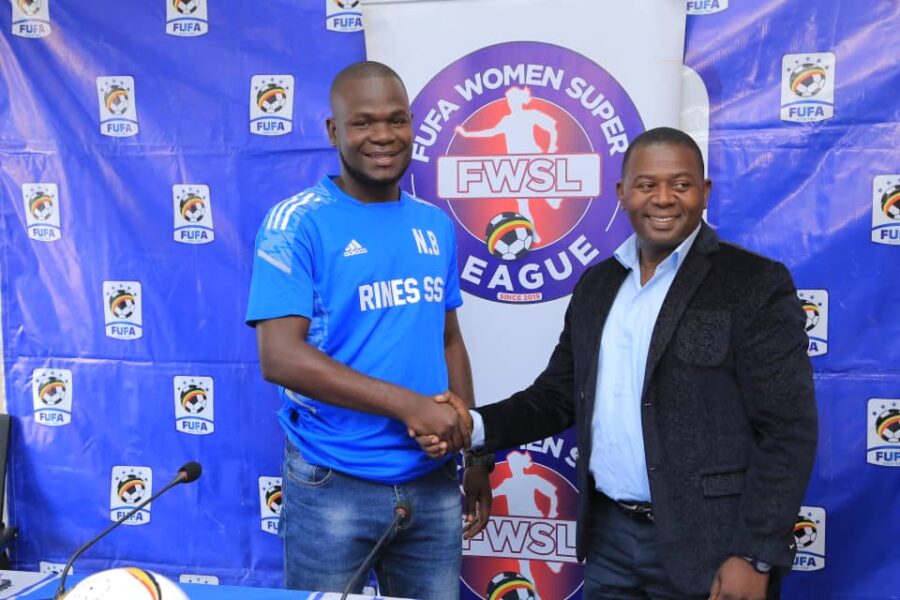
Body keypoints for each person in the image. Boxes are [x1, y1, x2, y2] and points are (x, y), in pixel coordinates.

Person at [420, 127, 817, 599]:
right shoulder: (597, 286)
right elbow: (556, 396)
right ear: (622, 193)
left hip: (713, 548)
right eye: (647, 185)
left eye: (681, 184)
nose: (664, 198)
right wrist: (472, 426)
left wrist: (755, 554)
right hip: (610, 540)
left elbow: (787, 430)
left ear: (705, 192)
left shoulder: (753, 283)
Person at [245, 60, 491, 600]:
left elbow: (448, 339)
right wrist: (410, 406)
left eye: (396, 120)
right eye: (363, 122)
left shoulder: (433, 223)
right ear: (334, 131)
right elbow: (280, 357)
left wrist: (472, 449)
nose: (383, 135)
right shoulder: (297, 223)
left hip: (431, 480)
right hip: (333, 482)